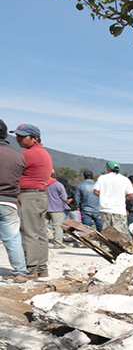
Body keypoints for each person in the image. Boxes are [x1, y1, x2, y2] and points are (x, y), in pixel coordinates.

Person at [12, 124, 52, 279]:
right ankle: (41, 268)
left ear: (35, 138)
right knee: (40, 233)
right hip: (40, 195)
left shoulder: (27, 154)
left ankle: (30, 269)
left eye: (23, 136)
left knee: (28, 233)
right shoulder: (43, 153)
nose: (19, 139)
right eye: (18, 136)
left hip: (28, 195)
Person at [0, 119, 28, 282]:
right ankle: (20, 272)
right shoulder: (18, 156)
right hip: (9, 201)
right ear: (5, 134)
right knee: (12, 238)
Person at [93, 161, 133, 236]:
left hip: (105, 209)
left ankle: (105, 247)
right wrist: (122, 198)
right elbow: (131, 195)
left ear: (108, 169)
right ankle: (118, 248)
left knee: (106, 233)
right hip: (119, 210)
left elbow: (95, 191)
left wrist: (103, 195)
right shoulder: (125, 179)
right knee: (119, 235)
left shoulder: (102, 178)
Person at [45, 177, 70, 248]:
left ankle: (41, 243)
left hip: (45, 207)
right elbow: (64, 197)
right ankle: (58, 243)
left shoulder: (43, 183)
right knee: (57, 226)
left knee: (43, 227)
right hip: (56, 208)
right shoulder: (58, 184)